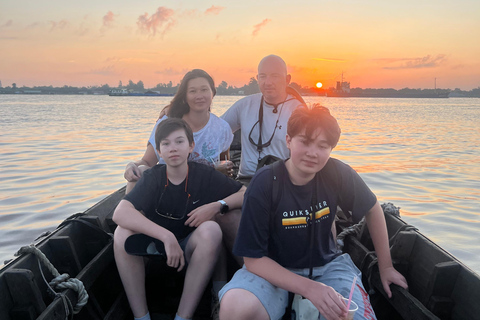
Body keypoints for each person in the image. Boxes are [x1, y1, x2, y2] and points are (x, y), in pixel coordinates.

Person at [218, 106, 408, 320]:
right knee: (235, 307)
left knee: (351, 316)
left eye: (323, 146)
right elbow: (253, 260)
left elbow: (373, 209)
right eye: (305, 142)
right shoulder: (264, 183)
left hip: (327, 266)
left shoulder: (337, 173)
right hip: (272, 270)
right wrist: (310, 289)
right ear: (288, 141)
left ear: (331, 149)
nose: (312, 153)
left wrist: (386, 266)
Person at [113, 118, 246, 320]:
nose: (173, 148)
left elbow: (245, 193)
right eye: (166, 144)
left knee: (211, 230)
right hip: (153, 249)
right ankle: (141, 316)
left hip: (190, 248)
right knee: (121, 233)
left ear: (191, 146)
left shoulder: (204, 174)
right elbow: (120, 213)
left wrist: (216, 205)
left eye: (179, 142)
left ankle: (183, 316)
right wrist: (166, 236)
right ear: (159, 150)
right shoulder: (153, 177)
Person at [124, 69, 234, 194]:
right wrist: (131, 166)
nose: (199, 96)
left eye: (204, 90)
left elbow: (225, 166)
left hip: (203, 190)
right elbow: (148, 162)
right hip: (168, 187)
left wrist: (221, 170)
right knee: (139, 171)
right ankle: (128, 211)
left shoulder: (222, 128)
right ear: (185, 96)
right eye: (192, 91)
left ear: (212, 93)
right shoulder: (167, 122)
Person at [221, 54, 305, 186]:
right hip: (247, 181)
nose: (268, 82)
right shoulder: (245, 105)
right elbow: (216, 131)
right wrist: (220, 161)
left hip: (283, 182)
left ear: (287, 79)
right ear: (257, 78)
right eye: (263, 76)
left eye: (275, 76)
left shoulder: (298, 110)